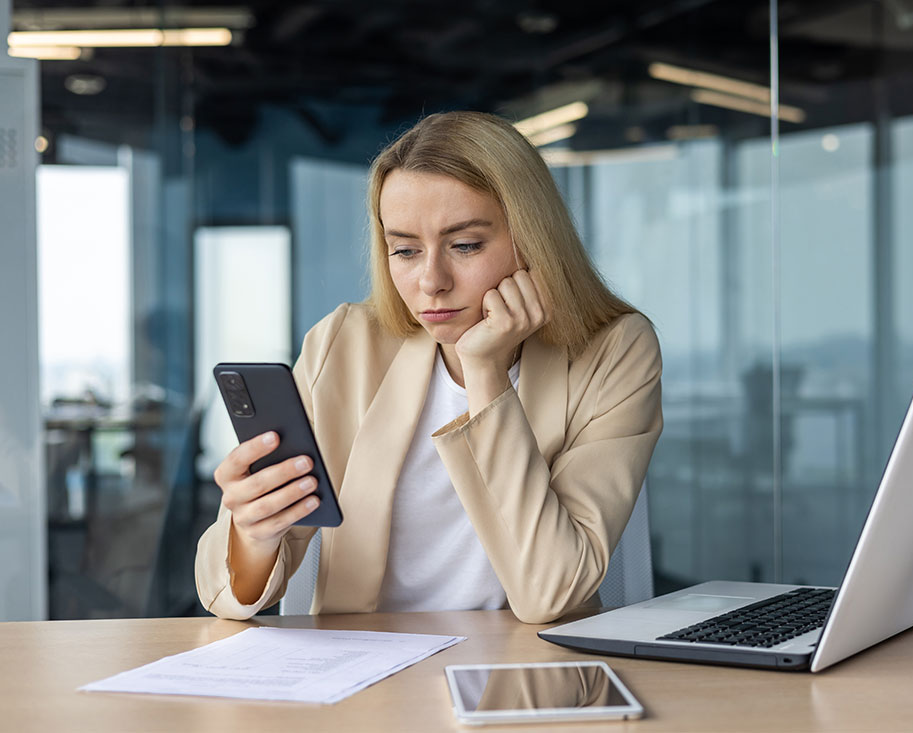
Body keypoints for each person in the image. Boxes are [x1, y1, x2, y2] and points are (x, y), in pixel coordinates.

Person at [194, 111, 663, 624]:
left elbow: (552, 593)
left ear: (535, 239)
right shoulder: (344, 344)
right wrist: (254, 533)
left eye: (465, 245)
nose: (431, 280)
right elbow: (225, 596)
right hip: (362, 673)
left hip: (522, 673)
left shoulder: (615, 350)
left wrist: (484, 370)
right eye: (405, 250)